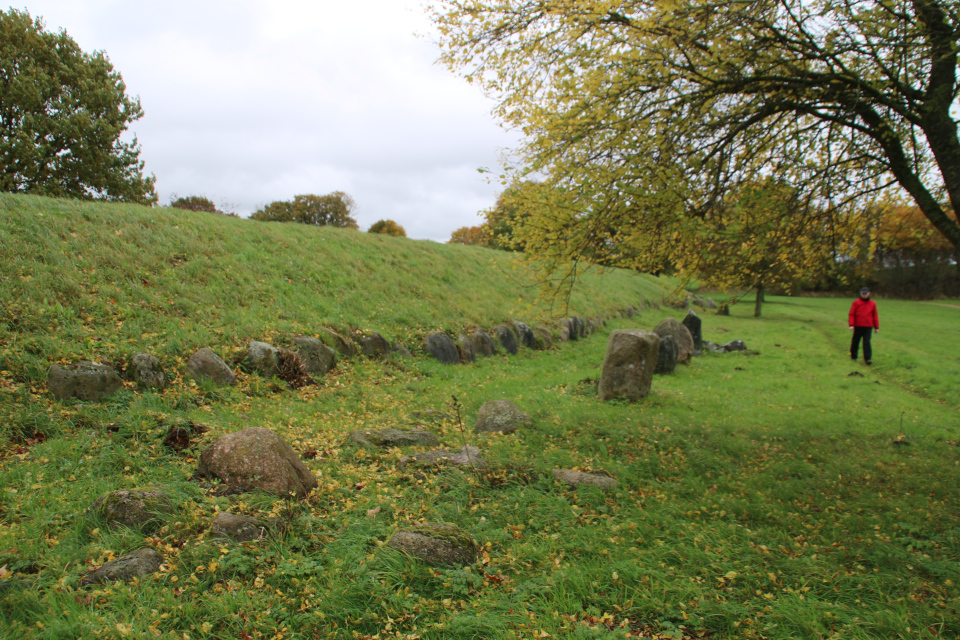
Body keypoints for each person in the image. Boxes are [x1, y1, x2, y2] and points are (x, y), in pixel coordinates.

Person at [849, 287, 879, 364]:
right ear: (860, 293)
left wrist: (876, 327)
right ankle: (854, 356)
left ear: (869, 293)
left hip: (868, 326)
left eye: (865, 293)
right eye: (863, 293)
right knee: (855, 341)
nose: (864, 295)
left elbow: (875, 315)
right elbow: (852, 314)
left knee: (866, 342)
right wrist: (851, 324)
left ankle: (868, 359)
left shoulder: (873, 303)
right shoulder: (856, 302)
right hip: (858, 326)